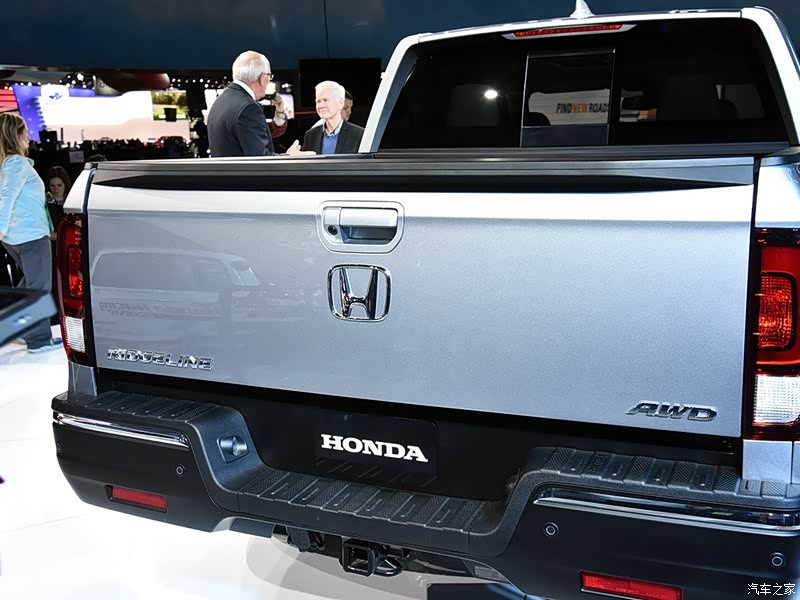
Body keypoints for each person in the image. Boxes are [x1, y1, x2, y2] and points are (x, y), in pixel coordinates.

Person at [0, 113, 62, 353]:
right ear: (15, 134)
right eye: (24, 130)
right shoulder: (16, 163)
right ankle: (38, 340)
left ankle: (15, 327)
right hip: (29, 235)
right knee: (38, 287)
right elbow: (6, 198)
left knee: (29, 285)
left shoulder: (8, 163)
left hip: (17, 235)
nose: (28, 135)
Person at [207, 51, 309, 157]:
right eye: (269, 76)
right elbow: (261, 160)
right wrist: (290, 157)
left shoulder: (221, 101)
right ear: (261, 78)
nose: (269, 81)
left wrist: (279, 115)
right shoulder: (248, 108)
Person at [302, 81, 364, 155]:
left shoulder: (359, 134)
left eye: (325, 100)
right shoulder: (310, 136)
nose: (321, 105)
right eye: (318, 101)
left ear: (340, 103)